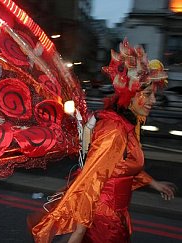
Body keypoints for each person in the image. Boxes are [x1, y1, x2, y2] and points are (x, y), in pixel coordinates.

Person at [30, 39, 176, 243]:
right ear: (131, 95)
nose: (153, 101)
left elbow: (122, 165)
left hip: (114, 214)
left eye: (154, 95)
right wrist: (80, 229)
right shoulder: (114, 130)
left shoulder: (127, 125)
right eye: (147, 94)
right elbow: (92, 178)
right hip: (105, 218)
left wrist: (154, 183)